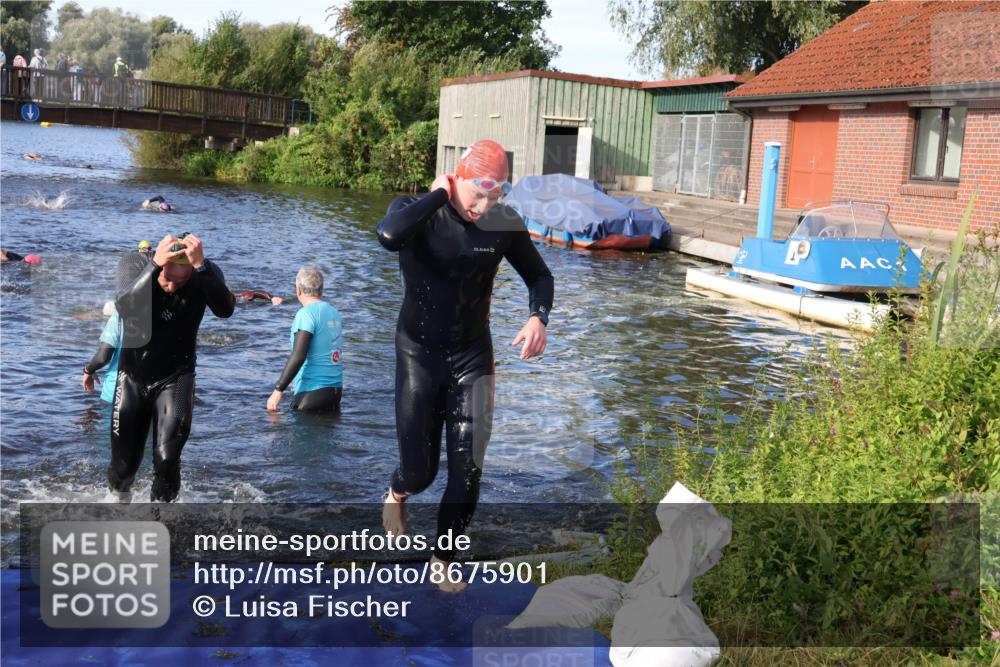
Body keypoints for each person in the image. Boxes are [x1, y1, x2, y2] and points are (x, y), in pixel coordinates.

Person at [376, 139, 553, 591]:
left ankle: (442, 557)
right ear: (456, 177)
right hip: (417, 352)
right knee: (421, 471)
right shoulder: (417, 210)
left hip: (472, 354)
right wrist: (438, 194)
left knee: (469, 466)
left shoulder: (502, 221)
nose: (484, 205)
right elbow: (388, 236)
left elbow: (540, 275)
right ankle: (397, 491)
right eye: (477, 193)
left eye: (494, 196)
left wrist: (538, 317)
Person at [110, 234, 235, 502]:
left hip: (176, 377)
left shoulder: (206, 272)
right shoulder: (136, 264)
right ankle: (118, 506)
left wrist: (201, 269)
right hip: (132, 378)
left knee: (167, 458)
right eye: (167, 279)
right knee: (125, 468)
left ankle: (161, 517)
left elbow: (225, 310)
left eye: (180, 282)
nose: (171, 287)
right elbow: (124, 307)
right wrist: (154, 266)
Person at [267, 267, 343, 413]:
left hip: (312, 392)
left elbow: (299, 355)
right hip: (335, 392)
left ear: (298, 290)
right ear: (322, 288)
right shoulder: (334, 312)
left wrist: (278, 390)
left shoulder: (306, 314)